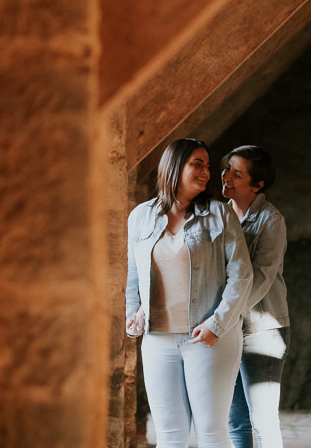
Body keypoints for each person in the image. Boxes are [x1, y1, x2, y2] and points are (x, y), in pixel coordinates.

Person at [126, 138, 253, 448]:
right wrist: (133, 313)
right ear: (174, 166)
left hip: (209, 339)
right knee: (169, 436)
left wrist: (217, 324)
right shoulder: (140, 216)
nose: (206, 172)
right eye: (198, 164)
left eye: (207, 166)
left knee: (211, 433)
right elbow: (133, 274)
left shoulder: (220, 214)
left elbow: (241, 276)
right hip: (158, 341)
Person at [221, 145, 290, 448]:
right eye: (227, 169)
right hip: (228, 327)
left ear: (257, 185)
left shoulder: (271, 220)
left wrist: (226, 314)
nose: (226, 177)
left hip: (262, 330)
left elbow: (262, 276)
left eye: (237, 174)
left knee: (263, 420)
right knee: (235, 420)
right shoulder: (219, 215)